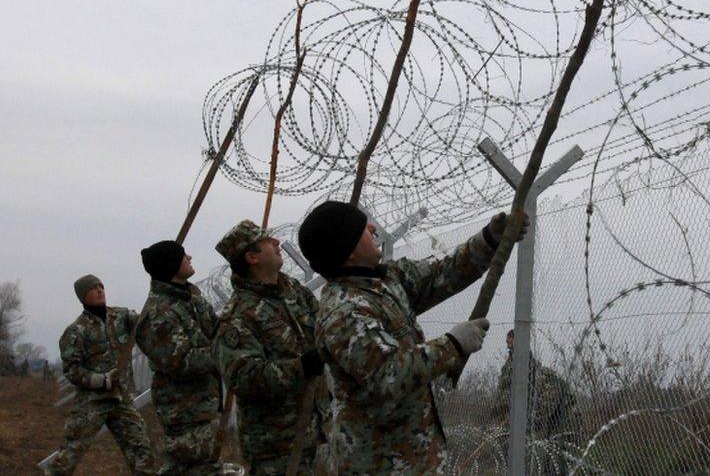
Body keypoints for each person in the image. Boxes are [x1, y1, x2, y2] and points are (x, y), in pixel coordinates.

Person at [298, 201, 527, 473]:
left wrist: (490, 239)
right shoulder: (343, 313)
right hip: (378, 463)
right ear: (347, 252)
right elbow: (388, 373)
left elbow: (445, 272)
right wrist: (453, 344)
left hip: (416, 456)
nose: (372, 228)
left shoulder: (386, 281)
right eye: (362, 228)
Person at [212, 220, 327, 474]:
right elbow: (243, 378)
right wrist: (301, 367)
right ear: (252, 257)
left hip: (309, 426)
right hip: (274, 443)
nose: (277, 243)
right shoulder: (239, 315)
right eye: (267, 241)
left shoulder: (293, 291)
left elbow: (321, 328)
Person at [47, 275, 155, 475]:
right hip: (92, 402)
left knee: (141, 451)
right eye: (93, 288)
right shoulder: (76, 331)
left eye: (101, 286)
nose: (99, 290)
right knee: (70, 454)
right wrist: (100, 380)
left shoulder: (122, 317)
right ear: (82, 296)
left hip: (121, 399)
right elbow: (72, 370)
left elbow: (146, 324)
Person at [136, 240, 222, 475]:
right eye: (184, 256)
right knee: (188, 466)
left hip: (203, 402)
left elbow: (217, 330)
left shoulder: (191, 300)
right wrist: (224, 354)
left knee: (199, 466)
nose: (190, 258)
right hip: (183, 409)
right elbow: (181, 362)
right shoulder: (159, 314)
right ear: (172, 265)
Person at [496, 329, 579, 473]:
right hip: (554, 424)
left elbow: (541, 414)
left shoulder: (547, 381)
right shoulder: (516, 368)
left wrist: (520, 425)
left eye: (511, 341)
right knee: (548, 461)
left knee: (559, 463)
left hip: (568, 423)